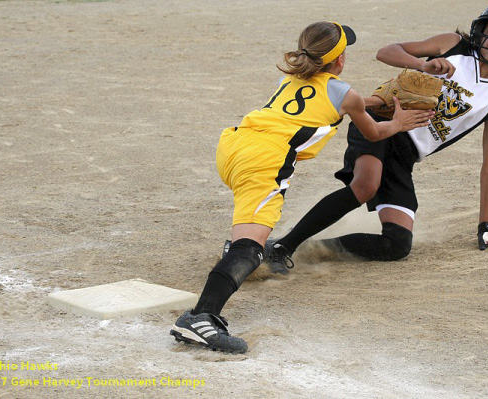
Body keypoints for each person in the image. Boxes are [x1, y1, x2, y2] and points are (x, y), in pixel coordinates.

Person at [169, 21, 434, 353]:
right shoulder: (346, 94)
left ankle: (232, 260)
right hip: (266, 160)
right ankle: (201, 317)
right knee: (251, 250)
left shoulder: (290, 79)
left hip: (235, 145)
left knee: (248, 240)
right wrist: (398, 122)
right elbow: (374, 133)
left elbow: (340, 100)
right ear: (339, 61)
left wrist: (373, 100)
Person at [267, 1, 488, 273]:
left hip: (404, 158)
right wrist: (421, 64)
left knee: (398, 244)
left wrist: (485, 225)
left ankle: (312, 248)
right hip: (382, 122)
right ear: (479, 30)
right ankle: (283, 247)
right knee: (365, 186)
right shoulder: (453, 46)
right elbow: (386, 52)